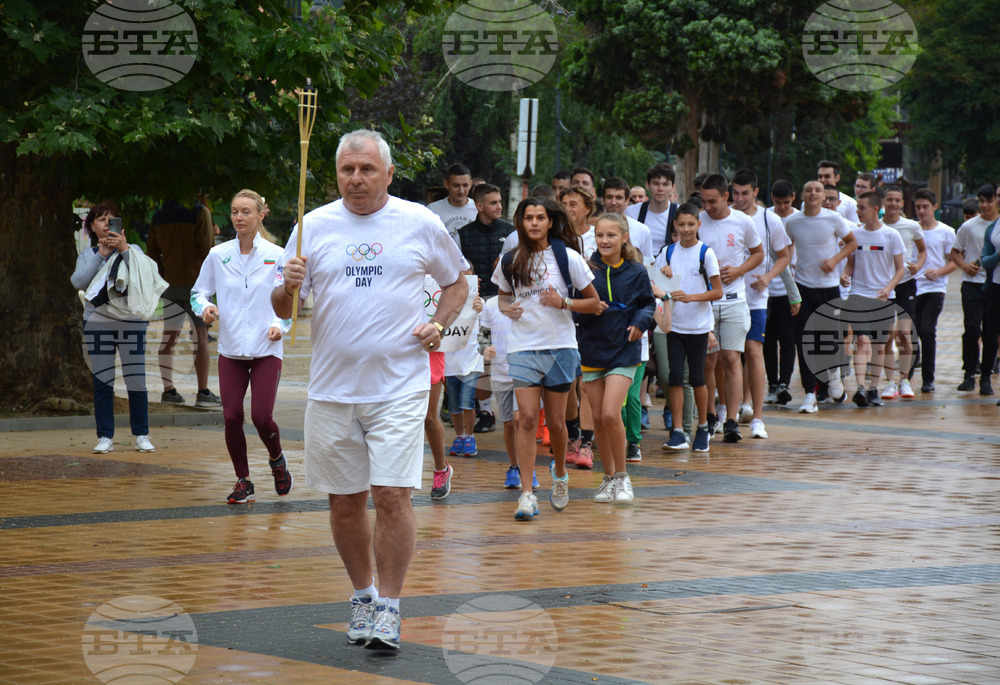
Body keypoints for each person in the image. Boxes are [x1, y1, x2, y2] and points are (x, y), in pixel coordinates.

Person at [272, 130, 469, 651]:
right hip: (332, 389)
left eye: (366, 170)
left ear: (387, 172)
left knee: (391, 495)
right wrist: (287, 285)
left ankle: (390, 607)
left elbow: (458, 283)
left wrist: (439, 323)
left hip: (399, 386)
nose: (356, 180)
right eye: (346, 171)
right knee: (344, 503)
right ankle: (362, 595)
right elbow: (279, 309)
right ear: (336, 173)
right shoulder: (311, 227)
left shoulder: (419, 222)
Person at [492, 197, 602, 521]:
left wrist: (564, 302)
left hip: (560, 347)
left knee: (556, 423)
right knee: (525, 418)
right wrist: (505, 308)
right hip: (523, 346)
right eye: (529, 218)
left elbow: (594, 303)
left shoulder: (567, 257)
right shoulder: (510, 259)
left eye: (541, 217)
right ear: (521, 222)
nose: (535, 223)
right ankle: (527, 494)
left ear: (550, 221)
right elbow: (501, 297)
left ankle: (560, 476)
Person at [191, 189, 292, 504]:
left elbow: (289, 301)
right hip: (231, 350)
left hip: (266, 349)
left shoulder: (278, 254)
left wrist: (280, 326)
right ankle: (243, 480)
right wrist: (204, 308)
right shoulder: (218, 255)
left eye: (246, 211)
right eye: (235, 211)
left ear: (262, 214)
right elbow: (198, 293)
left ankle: (277, 460)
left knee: (262, 416)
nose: (239, 218)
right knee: (232, 415)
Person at [575, 214, 655, 504]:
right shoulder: (585, 269)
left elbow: (648, 304)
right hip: (592, 348)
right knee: (597, 417)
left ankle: (623, 478)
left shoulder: (636, 271)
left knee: (611, 413)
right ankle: (607, 478)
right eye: (599, 235)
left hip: (624, 348)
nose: (604, 241)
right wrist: (587, 309)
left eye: (610, 235)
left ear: (624, 238)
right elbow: (572, 305)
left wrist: (640, 323)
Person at [71, 202, 157, 454]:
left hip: (130, 321)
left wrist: (124, 250)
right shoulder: (88, 255)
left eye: (112, 219)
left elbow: (145, 276)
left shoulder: (134, 250)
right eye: (101, 219)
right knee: (102, 381)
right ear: (91, 228)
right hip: (97, 323)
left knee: (136, 379)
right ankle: (105, 436)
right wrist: (101, 254)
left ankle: (141, 434)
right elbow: (78, 281)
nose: (107, 223)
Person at [690, 174, 763, 442]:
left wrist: (740, 270)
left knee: (731, 359)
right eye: (703, 201)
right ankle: (710, 415)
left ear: (726, 197)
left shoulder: (743, 221)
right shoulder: (698, 220)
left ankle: (732, 420)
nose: (707, 207)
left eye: (712, 201)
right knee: (709, 361)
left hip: (734, 299)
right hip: (705, 302)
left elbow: (758, 253)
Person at [730, 169, 796, 439]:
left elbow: (784, 256)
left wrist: (768, 277)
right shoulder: (723, 216)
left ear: (756, 192)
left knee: (753, 352)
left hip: (756, 297)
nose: (740, 198)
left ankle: (757, 417)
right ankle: (727, 411)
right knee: (728, 357)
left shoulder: (770, 219)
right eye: (735, 193)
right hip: (726, 297)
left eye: (745, 193)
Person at [784, 180, 858, 413]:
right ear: (802, 196)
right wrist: (790, 264)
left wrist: (835, 261)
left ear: (825, 195)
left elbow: (852, 242)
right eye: (809, 190)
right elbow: (786, 248)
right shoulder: (793, 221)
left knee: (830, 339)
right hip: (803, 288)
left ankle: (834, 374)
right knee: (804, 341)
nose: (813, 194)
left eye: (818, 190)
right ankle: (809, 394)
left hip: (829, 288)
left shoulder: (833, 218)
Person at [657, 203, 724, 453]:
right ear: (674, 225)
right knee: (674, 376)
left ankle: (703, 428)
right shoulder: (667, 252)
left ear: (699, 224)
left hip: (698, 326)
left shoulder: (705, 253)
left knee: (697, 377)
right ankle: (677, 431)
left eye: (691, 224)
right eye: (681, 224)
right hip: (673, 325)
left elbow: (717, 291)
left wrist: (691, 297)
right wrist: (663, 276)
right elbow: (656, 284)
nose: (686, 229)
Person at [147, 199, 221, 408]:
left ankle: (168, 390)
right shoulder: (200, 213)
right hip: (197, 284)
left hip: (171, 284)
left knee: (168, 338)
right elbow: (208, 248)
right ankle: (203, 391)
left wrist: (163, 276)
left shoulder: (159, 215)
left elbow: (152, 252)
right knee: (201, 339)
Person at [842, 192, 905, 407]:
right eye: (857, 207)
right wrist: (845, 274)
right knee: (860, 340)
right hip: (858, 294)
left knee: (880, 344)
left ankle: (874, 389)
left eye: (862, 207)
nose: (858, 211)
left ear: (875, 209)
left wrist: (888, 288)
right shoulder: (854, 234)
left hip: (883, 297)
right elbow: (850, 264)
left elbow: (900, 269)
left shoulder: (891, 235)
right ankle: (860, 387)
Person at [480, 293, 535, 489]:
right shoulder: (491, 304)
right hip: (500, 372)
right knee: (509, 423)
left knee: (521, 418)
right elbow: (484, 334)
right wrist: (485, 350)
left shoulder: (529, 300)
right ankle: (514, 466)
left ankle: (528, 468)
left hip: (525, 370)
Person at [951, 183, 999, 395]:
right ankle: (969, 372)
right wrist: (964, 265)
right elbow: (954, 251)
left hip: (993, 285)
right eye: (981, 201)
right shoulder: (969, 226)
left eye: (989, 200)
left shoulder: (997, 226)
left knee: (990, 333)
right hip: (971, 284)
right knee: (972, 328)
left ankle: (986, 376)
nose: (985, 205)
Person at [879, 185, 926, 400]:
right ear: (883, 202)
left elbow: (922, 250)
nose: (893, 204)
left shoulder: (911, 226)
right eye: (889, 200)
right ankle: (890, 383)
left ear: (902, 203)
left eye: (897, 200)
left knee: (905, 336)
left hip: (906, 284)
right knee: (887, 337)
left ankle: (905, 380)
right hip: (883, 286)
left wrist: (918, 264)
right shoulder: (876, 227)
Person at [913, 188, 957, 393]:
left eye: (925, 207)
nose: (921, 211)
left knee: (927, 330)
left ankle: (928, 378)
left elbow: (954, 261)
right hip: (913, 286)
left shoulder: (946, 232)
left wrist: (939, 272)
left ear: (935, 207)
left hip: (934, 287)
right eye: (918, 207)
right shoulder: (912, 229)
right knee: (910, 332)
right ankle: (906, 375)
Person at [765, 180, 803, 406]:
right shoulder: (766, 217)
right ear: (772, 198)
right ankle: (772, 384)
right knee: (768, 339)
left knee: (788, 339)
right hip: (767, 290)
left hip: (791, 289)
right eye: (778, 203)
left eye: (786, 203)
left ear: (793, 198)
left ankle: (784, 384)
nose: (781, 207)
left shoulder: (797, 219)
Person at [625, 163, 678, 255]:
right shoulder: (632, 211)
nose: (660, 189)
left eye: (666, 184)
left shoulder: (679, 212)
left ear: (673, 187)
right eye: (656, 184)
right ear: (647, 185)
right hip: (639, 264)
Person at [426, 162, 477, 248]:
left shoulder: (479, 208)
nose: (461, 191)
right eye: (456, 186)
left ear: (471, 184)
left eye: (465, 185)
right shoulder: (432, 210)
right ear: (446, 184)